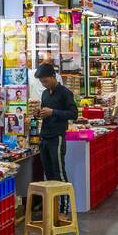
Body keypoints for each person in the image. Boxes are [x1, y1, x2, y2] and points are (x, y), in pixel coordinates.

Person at [36, 63, 78, 210]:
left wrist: (53, 112)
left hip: (57, 137)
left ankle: (64, 208)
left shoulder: (65, 92)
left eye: (46, 81)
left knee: (59, 172)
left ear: (54, 77)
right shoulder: (45, 93)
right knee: (48, 174)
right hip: (44, 137)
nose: (44, 84)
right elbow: (44, 111)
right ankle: (52, 207)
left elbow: (73, 114)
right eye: (41, 82)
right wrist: (39, 113)